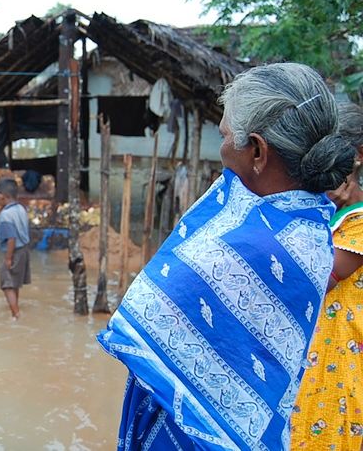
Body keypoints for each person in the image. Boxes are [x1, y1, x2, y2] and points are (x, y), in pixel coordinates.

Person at [97, 62, 356, 451]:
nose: (220, 152)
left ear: (256, 150)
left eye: (224, 136)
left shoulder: (248, 246)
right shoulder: (310, 225)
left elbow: (149, 316)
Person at [290, 102, 363, 450]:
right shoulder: (327, 218)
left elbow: (315, 278)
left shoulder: (358, 225)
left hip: (339, 369)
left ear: (357, 159)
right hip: (311, 365)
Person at [0, 177, 31, 321]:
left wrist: (8, 258)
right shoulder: (20, 208)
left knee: (7, 284)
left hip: (13, 251)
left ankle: (15, 315)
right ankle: (16, 307)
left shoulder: (5, 216)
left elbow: (11, 238)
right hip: (24, 250)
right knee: (14, 281)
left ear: (0, 196)